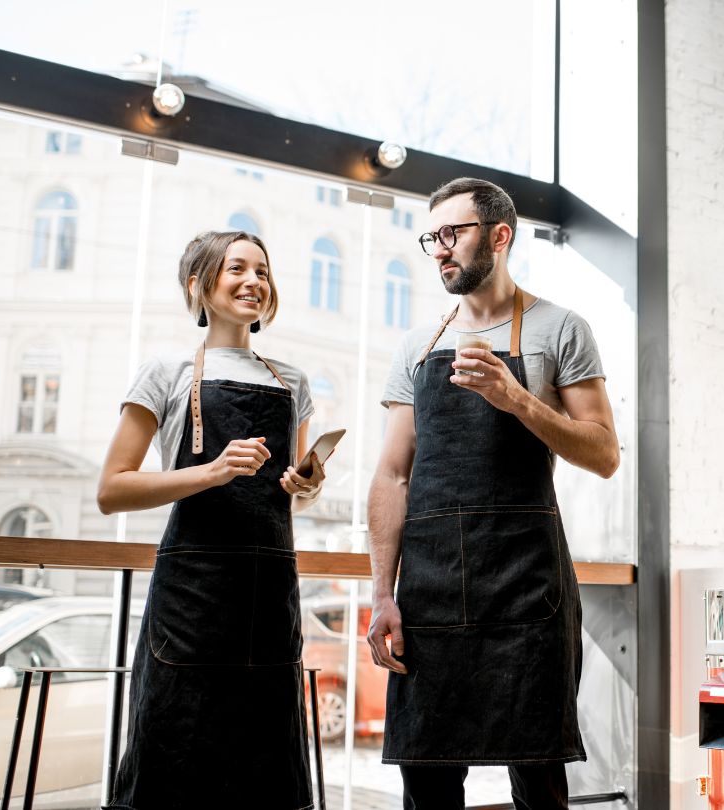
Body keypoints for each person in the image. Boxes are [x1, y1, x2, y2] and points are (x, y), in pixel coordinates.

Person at [366, 178, 621, 810]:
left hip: (525, 583)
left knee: (537, 776)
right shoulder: (417, 344)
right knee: (426, 774)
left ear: (500, 236)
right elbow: (393, 476)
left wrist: (516, 399)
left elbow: (604, 453)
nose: (440, 251)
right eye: (434, 238)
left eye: (454, 234)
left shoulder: (560, 329)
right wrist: (380, 594)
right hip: (427, 588)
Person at [98, 230, 324, 810]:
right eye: (237, 269)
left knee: (264, 758)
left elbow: (290, 498)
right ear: (199, 285)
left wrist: (306, 484)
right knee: (176, 749)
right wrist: (210, 472)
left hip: (269, 593)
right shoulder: (166, 371)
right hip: (192, 594)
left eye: (264, 272)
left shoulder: (291, 382)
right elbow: (112, 490)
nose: (254, 282)